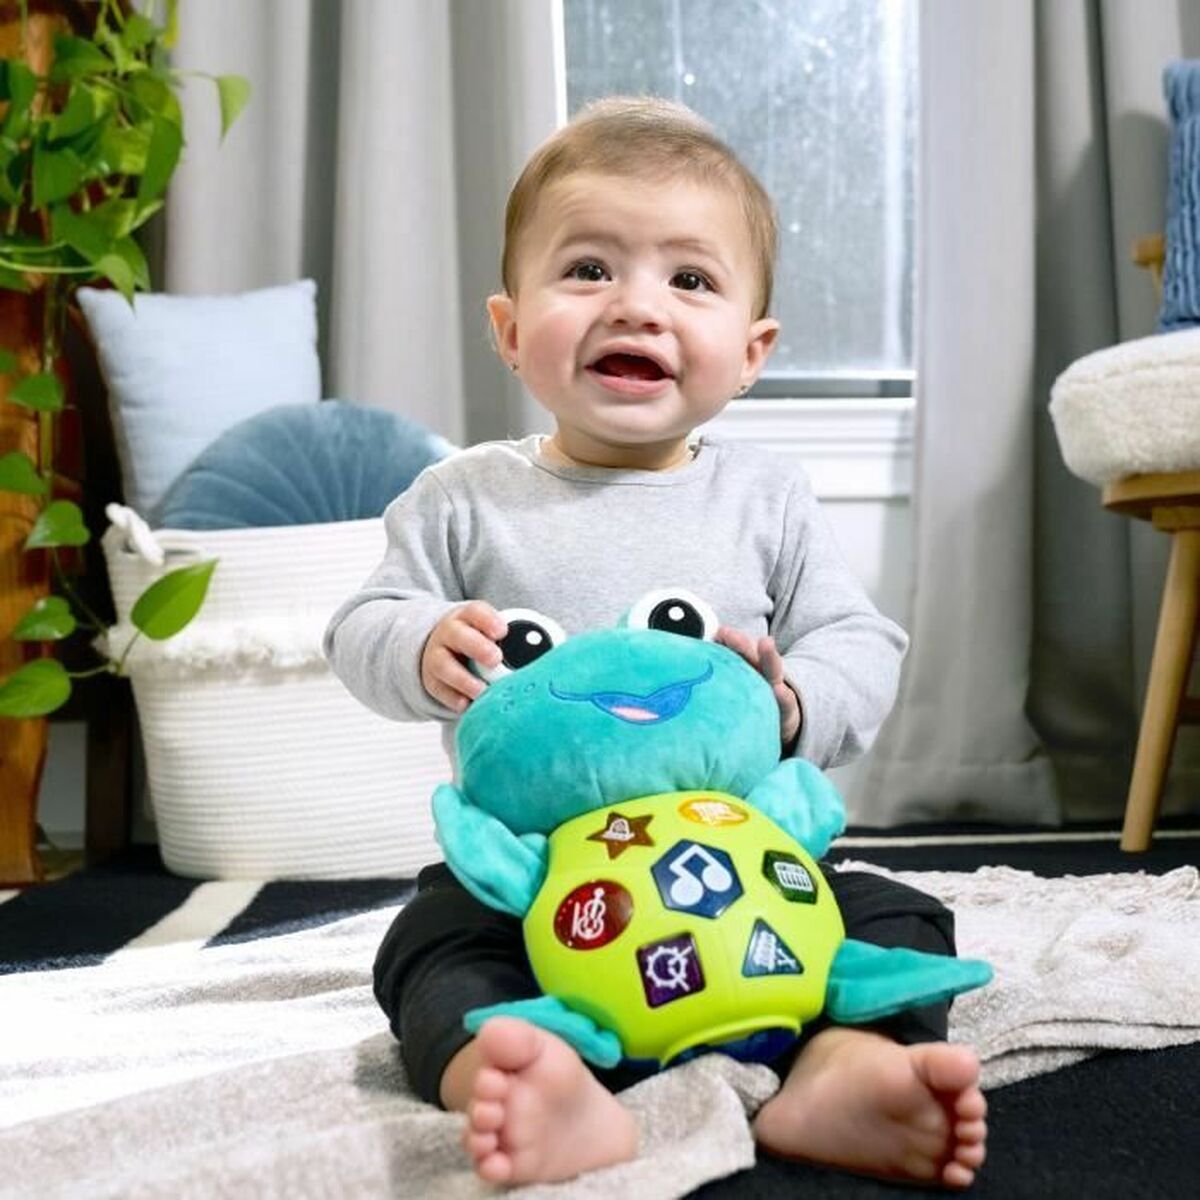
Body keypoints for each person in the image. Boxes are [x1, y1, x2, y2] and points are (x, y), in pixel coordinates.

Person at [324, 96, 987, 1190]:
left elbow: (858, 638)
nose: (636, 305)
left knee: (895, 915)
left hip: (746, 865)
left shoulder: (765, 498)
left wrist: (794, 702)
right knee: (427, 950)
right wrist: (417, 641)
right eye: (588, 269)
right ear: (509, 329)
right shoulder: (462, 499)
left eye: (690, 280)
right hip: (533, 878)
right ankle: (530, 1078)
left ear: (752, 350)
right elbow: (359, 622)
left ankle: (848, 1067)